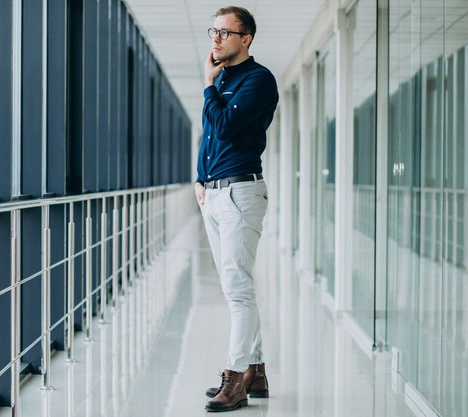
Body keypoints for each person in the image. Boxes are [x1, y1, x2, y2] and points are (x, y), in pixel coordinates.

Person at [195, 6, 278, 413]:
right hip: (213, 194)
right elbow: (210, 136)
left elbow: (227, 126)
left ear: (246, 39)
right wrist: (199, 176)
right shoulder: (223, 79)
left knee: (238, 289)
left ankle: (235, 379)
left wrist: (209, 86)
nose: (216, 38)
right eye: (214, 30)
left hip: (240, 194)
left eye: (225, 32)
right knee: (235, 287)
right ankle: (256, 371)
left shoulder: (258, 80)